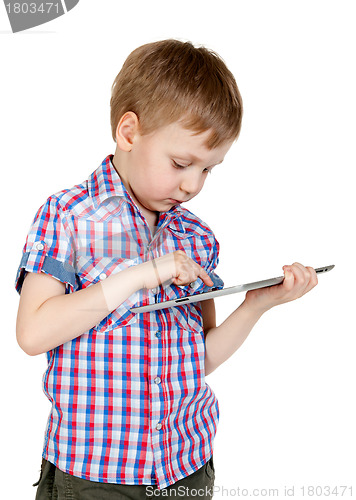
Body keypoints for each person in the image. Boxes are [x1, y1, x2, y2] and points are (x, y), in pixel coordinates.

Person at [14, 39, 318, 499]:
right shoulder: (69, 216)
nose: (193, 184)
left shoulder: (195, 237)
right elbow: (33, 334)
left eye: (208, 170)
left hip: (186, 469)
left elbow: (200, 362)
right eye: (181, 163)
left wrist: (258, 305)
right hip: (95, 475)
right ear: (129, 132)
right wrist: (143, 273)